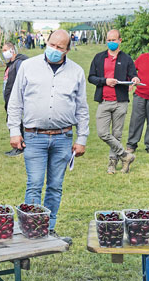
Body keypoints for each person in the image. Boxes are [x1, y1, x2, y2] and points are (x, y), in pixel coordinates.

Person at [7, 30, 89, 233]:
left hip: (63, 137)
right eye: (52, 44)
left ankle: (49, 228)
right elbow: (15, 101)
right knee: (34, 183)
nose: (54, 49)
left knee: (55, 186)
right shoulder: (28, 66)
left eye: (59, 47)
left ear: (67, 50)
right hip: (34, 136)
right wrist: (14, 131)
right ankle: (32, 227)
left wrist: (82, 138)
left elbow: (82, 108)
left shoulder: (76, 71)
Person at [87, 29, 139, 174]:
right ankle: (125, 155)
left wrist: (135, 79)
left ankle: (112, 163)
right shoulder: (99, 58)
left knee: (117, 134)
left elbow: (133, 75)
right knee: (102, 133)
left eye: (114, 40)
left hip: (120, 101)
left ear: (120, 41)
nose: (111, 43)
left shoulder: (127, 59)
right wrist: (105, 81)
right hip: (104, 101)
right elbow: (91, 77)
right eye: (109, 40)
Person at [1, 41, 28, 157]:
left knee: (18, 122)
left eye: (4, 50)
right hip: (9, 99)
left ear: (12, 50)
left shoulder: (19, 63)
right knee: (12, 122)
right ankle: (18, 146)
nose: (3, 53)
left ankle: (20, 146)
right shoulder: (10, 64)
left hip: (16, 99)